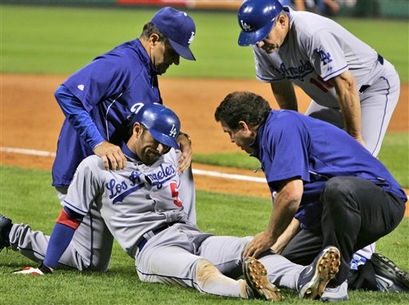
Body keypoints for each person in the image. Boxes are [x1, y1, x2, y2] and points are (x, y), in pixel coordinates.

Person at [0, 103, 342, 301]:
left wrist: (183, 147)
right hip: (151, 251)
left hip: (189, 235)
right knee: (200, 270)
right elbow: (69, 219)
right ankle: (245, 289)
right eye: (156, 141)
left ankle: (310, 281)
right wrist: (46, 266)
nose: (161, 149)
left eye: (167, 143)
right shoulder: (95, 168)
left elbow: (181, 171)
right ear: (136, 130)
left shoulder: (169, 156)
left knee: (250, 248)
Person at [236, 0, 403, 292]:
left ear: (282, 21)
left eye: (263, 34)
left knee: (357, 173)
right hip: (329, 98)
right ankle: (306, 245)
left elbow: (346, 83)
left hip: (368, 90)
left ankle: (361, 263)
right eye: (254, 37)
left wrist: (354, 138)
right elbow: (280, 86)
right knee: (300, 168)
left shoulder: (312, 32)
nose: (260, 42)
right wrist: (290, 137)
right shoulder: (262, 43)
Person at [214, 91, 408, 300]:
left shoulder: (281, 128)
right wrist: (278, 245)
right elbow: (303, 204)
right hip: (337, 209)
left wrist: (269, 236)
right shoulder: (268, 137)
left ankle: (335, 284)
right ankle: (373, 275)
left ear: (244, 127)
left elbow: (291, 194)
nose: (232, 140)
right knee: (287, 261)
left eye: (229, 133)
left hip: (381, 201)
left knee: (338, 189)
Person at [49, 6, 197, 272]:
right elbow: (67, 94)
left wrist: (181, 136)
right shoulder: (121, 64)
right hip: (83, 170)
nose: (175, 62)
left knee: (174, 158)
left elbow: (146, 120)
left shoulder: (147, 68)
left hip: (114, 173)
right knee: (88, 261)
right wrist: (99, 142)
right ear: (154, 40)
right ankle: (9, 233)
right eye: (173, 52)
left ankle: (188, 235)